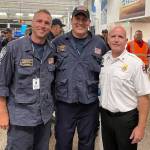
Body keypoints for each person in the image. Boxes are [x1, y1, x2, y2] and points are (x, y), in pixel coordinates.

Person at [51, 5, 107, 150]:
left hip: (89, 104)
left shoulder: (99, 43)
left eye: (84, 19)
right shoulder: (57, 43)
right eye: (77, 18)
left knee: (87, 143)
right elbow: (48, 72)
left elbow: (108, 71)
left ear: (89, 22)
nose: (80, 22)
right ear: (71, 20)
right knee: (63, 143)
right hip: (64, 103)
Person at [0, 9, 55, 150]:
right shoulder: (13, 48)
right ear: (32, 23)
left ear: (50, 27)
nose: (42, 25)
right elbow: (2, 82)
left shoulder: (52, 49)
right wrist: (2, 113)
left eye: (47, 23)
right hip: (21, 118)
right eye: (39, 21)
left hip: (44, 117)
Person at [99, 25, 150, 150]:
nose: (116, 40)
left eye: (120, 37)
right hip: (105, 118)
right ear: (108, 40)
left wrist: (141, 127)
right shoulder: (103, 60)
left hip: (126, 120)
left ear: (126, 41)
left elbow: (144, 97)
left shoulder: (136, 63)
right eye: (113, 36)